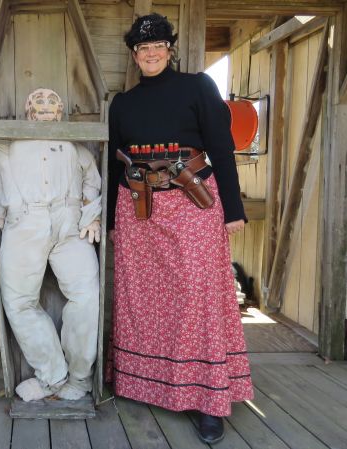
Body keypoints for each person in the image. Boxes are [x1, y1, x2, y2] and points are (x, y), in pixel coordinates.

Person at [107, 14, 253, 444]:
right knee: (143, 294)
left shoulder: (198, 87)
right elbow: (111, 163)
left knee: (197, 296)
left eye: (158, 46)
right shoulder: (122, 104)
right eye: (143, 48)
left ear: (169, 49)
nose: (151, 54)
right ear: (134, 55)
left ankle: (208, 397)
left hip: (194, 202)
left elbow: (222, 148)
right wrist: (112, 220)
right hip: (138, 208)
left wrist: (233, 209)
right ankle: (145, 382)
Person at [0, 88, 101, 401]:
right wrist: (2, 213)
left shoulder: (75, 145)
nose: (47, 105)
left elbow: (92, 179)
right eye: (39, 100)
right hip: (25, 220)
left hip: (71, 222)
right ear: (28, 108)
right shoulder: (6, 143)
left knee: (86, 296)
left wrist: (91, 215)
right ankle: (53, 375)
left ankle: (79, 378)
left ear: (61, 110)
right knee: (18, 301)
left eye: (53, 101)